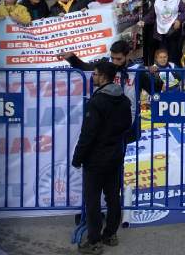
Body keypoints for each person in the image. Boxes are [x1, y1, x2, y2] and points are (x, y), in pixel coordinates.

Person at [72, 60, 133, 255]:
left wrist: (78, 157)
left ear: (104, 77)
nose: (93, 77)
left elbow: (88, 133)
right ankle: (110, 234)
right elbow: (127, 126)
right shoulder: (124, 100)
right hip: (115, 155)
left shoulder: (97, 101)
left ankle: (94, 241)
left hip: (96, 158)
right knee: (113, 197)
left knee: (93, 199)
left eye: (95, 74)